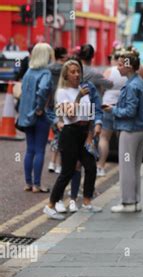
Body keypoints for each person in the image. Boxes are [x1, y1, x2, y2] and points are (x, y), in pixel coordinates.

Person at [43, 59, 103, 220]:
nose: (77, 74)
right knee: (67, 172)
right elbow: (69, 115)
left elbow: (88, 114)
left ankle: (87, 202)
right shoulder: (62, 92)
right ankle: (50, 205)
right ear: (66, 75)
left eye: (78, 71)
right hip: (70, 133)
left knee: (91, 167)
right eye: (73, 72)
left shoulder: (84, 90)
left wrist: (90, 134)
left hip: (83, 133)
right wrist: (77, 97)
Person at [102, 51, 143, 213]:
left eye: (121, 65)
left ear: (128, 67)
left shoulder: (131, 85)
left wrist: (112, 110)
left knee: (127, 167)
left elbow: (129, 111)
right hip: (139, 129)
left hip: (130, 130)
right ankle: (135, 201)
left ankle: (128, 203)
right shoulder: (138, 82)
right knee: (134, 167)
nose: (118, 67)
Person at [17, 43, 55, 193]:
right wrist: (39, 108)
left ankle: (28, 183)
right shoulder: (45, 73)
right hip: (39, 116)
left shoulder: (28, 72)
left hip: (26, 116)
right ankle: (37, 185)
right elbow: (43, 90)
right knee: (40, 150)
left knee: (30, 150)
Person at [97, 51, 127, 177]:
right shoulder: (127, 71)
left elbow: (102, 87)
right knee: (123, 139)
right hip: (122, 106)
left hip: (107, 105)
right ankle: (124, 167)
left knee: (104, 138)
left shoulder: (109, 71)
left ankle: (101, 166)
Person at [48, 47, 68, 174]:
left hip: (50, 104)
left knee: (56, 133)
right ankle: (59, 164)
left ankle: (52, 162)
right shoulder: (66, 70)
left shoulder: (48, 69)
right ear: (63, 56)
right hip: (63, 103)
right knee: (63, 135)